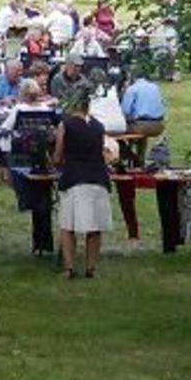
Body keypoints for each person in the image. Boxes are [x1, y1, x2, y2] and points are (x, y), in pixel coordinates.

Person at [52, 88, 114, 279]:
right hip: (98, 177)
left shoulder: (65, 125)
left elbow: (58, 156)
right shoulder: (99, 126)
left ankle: (69, 268)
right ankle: (91, 268)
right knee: (95, 227)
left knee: (68, 225)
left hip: (74, 177)